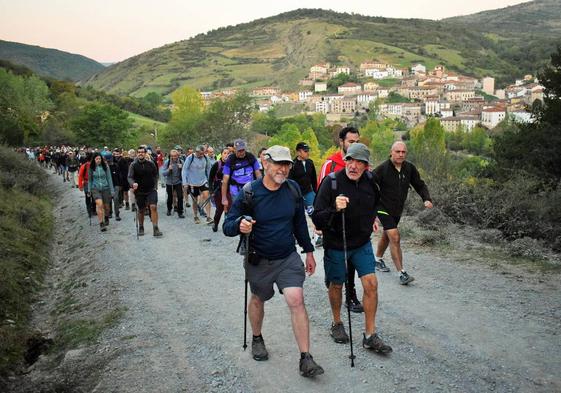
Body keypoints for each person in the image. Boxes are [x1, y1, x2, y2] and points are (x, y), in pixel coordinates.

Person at [223, 145, 324, 378]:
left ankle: (306, 358)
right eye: (278, 163)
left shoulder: (293, 189)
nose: (283, 169)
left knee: (296, 299)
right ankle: (257, 338)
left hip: (287, 256)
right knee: (258, 298)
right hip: (259, 259)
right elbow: (228, 226)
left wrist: (308, 252)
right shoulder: (249, 193)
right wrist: (240, 225)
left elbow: (299, 223)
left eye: (287, 164)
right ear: (265, 163)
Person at [312, 143, 392, 353]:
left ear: (366, 165)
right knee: (337, 285)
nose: (353, 166)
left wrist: (371, 219)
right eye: (350, 160)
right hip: (337, 244)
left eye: (359, 162)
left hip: (361, 243)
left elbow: (375, 203)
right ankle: (337, 323)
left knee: (371, 284)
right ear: (345, 160)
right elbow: (317, 219)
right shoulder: (331, 183)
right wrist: (334, 209)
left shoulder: (372, 181)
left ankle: (370, 335)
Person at [317, 126, 363, 313]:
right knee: (335, 261)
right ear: (341, 142)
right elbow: (320, 192)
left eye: (357, 141)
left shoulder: (362, 164)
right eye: (351, 142)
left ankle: (350, 295)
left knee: (351, 261)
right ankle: (334, 284)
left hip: (354, 223)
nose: (354, 145)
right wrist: (319, 224)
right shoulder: (331, 164)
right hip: (332, 222)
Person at [373, 141, 433, 284]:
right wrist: (371, 209)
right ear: (391, 152)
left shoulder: (409, 168)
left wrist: (426, 198)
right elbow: (369, 186)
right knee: (395, 237)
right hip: (382, 207)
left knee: (387, 236)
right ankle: (402, 273)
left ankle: (377, 259)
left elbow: (419, 184)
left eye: (403, 152)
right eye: (397, 151)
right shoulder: (382, 169)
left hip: (397, 209)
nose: (400, 154)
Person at [128, 146, 163, 237]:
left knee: (153, 207)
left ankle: (155, 228)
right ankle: (141, 226)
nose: (140, 153)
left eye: (142, 152)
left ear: (145, 153)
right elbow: (130, 177)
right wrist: (133, 183)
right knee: (141, 210)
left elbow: (155, 175)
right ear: (137, 153)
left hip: (151, 189)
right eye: (139, 152)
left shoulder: (151, 164)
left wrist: (155, 186)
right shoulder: (133, 165)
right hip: (139, 191)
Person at [221, 139, 262, 213]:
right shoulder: (230, 160)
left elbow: (258, 174)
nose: (242, 152)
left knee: (250, 209)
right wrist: (224, 198)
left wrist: (261, 189)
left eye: (243, 150)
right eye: (239, 150)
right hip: (235, 189)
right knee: (238, 209)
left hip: (249, 188)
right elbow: (225, 180)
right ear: (234, 149)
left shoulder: (250, 157)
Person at [182, 145, 212, 224]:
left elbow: (209, 169)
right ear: (197, 152)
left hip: (203, 181)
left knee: (207, 196)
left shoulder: (206, 158)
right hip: (192, 182)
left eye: (203, 153)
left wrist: (210, 181)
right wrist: (185, 182)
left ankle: (209, 217)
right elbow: (184, 170)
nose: (202, 155)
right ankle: (196, 216)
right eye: (200, 154)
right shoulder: (190, 158)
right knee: (195, 200)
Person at [88, 152, 114, 232]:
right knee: (99, 204)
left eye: (99, 159)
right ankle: (101, 223)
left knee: (106, 207)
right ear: (94, 160)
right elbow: (90, 180)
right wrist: (89, 190)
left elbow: (109, 178)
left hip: (105, 188)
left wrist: (112, 190)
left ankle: (106, 216)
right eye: (96, 159)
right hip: (95, 188)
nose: (98, 160)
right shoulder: (91, 168)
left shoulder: (105, 166)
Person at [289, 142, 317, 215]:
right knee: (298, 215)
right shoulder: (292, 164)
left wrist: (315, 192)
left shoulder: (310, 163)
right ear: (298, 152)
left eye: (308, 151)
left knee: (313, 214)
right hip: (297, 194)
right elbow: (290, 181)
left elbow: (314, 179)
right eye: (305, 151)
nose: (308, 153)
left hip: (309, 193)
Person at [208, 147, 230, 232]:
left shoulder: (231, 165)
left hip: (228, 189)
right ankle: (216, 223)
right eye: (225, 153)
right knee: (220, 208)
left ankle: (226, 224)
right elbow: (210, 178)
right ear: (221, 154)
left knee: (228, 207)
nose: (226, 155)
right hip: (218, 190)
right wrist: (211, 190)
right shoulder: (216, 164)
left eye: (228, 153)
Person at [162, 149, 185, 219]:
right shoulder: (167, 162)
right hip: (169, 182)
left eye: (175, 156)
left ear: (178, 156)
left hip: (178, 182)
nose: (174, 157)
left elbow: (185, 173)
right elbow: (163, 173)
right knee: (170, 197)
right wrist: (169, 169)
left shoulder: (181, 162)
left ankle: (180, 212)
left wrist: (182, 168)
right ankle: (169, 209)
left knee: (180, 197)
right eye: (172, 156)